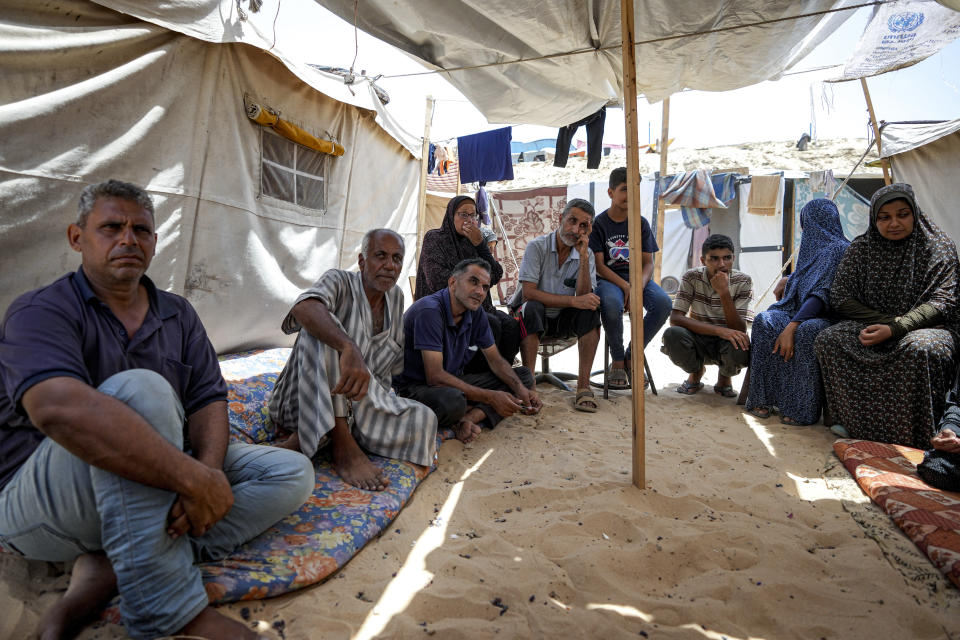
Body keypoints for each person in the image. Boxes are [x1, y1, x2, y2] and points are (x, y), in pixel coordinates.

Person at [0, 180, 313, 640]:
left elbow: (208, 400)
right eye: (111, 227)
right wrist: (193, 480)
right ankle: (168, 609)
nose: (128, 239)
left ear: (154, 242)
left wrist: (205, 474)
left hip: (153, 478)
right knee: (142, 391)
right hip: (43, 493)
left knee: (292, 471)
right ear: (76, 238)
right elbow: (55, 408)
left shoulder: (177, 313)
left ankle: (114, 562)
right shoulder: (41, 310)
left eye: (141, 230)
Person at [269, 229, 438, 492]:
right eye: (380, 256)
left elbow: (388, 376)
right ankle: (342, 444)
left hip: (361, 404)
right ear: (362, 261)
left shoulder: (396, 298)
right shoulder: (339, 281)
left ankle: (314, 436)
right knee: (323, 328)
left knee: (425, 418)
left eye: (397, 259)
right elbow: (304, 308)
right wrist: (348, 347)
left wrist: (382, 404)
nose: (390, 266)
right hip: (306, 398)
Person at [814, 183, 959, 448]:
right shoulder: (862, 249)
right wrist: (887, 323)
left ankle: (919, 434)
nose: (894, 223)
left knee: (921, 348)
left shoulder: (938, 247)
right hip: (877, 323)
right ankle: (856, 424)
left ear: (915, 213)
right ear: (874, 219)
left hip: (929, 327)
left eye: (902, 214)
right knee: (830, 340)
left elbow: (943, 301)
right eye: (885, 217)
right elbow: (841, 297)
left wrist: (897, 328)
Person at [396, 258, 541, 443]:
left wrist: (522, 391)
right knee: (453, 402)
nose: (480, 292)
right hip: (416, 388)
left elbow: (496, 361)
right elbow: (435, 376)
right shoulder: (429, 311)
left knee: (524, 377)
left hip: (452, 380)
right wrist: (490, 398)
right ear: (452, 282)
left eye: (485, 287)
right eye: (473, 282)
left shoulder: (475, 311)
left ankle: (470, 418)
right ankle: (473, 410)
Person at [745, 199, 849, 425]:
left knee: (807, 331)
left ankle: (801, 409)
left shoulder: (839, 249)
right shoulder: (812, 246)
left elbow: (822, 292)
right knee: (765, 321)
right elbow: (808, 278)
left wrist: (792, 326)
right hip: (797, 310)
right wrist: (789, 278)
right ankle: (762, 399)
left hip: (826, 315)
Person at [511, 198, 602, 412]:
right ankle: (529, 384)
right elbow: (528, 293)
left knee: (590, 311)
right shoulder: (538, 246)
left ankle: (583, 386)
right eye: (571, 220)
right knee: (533, 306)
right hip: (529, 316)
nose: (574, 229)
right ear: (560, 219)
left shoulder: (585, 253)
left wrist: (582, 257)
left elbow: (583, 295)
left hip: (562, 319)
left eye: (583, 225)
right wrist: (573, 301)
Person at [415, 195, 520, 371]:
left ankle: (499, 376)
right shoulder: (434, 239)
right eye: (463, 215)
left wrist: (480, 245)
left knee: (510, 326)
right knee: (490, 323)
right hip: (446, 308)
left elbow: (495, 274)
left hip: (476, 305)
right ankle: (475, 376)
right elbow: (437, 281)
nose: (469, 221)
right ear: (451, 216)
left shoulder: (474, 242)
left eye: (473, 216)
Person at [590, 167, 672, 389]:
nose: (630, 196)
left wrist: (636, 287)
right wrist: (625, 287)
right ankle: (617, 360)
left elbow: (647, 262)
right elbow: (598, 266)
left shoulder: (641, 223)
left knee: (664, 303)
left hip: (637, 279)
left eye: (635, 190)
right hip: (608, 279)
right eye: (624, 189)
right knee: (611, 303)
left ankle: (631, 354)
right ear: (610, 193)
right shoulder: (599, 224)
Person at [662, 234, 753, 397]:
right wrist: (719, 330)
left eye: (727, 258)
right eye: (714, 259)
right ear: (703, 261)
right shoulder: (692, 277)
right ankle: (696, 372)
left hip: (727, 341)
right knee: (672, 335)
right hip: (698, 338)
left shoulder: (743, 281)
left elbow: (739, 328)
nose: (722, 264)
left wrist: (724, 292)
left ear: (733, 258)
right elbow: (675, 319)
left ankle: (725, 377)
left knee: (740, 343)